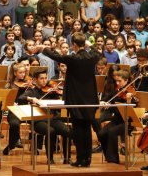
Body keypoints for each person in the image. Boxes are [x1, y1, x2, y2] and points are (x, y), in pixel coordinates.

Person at [36, 32, 101, 167]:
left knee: (78, 129)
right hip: (90, 100)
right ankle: (87, 159)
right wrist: (90, 45)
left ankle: (80, 159)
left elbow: (56, 56)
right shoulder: (92, 57)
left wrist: (43, 48)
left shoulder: (73, 58)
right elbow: (98, 52)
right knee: (87, 129)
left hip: (76, 99)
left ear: (74, 45)